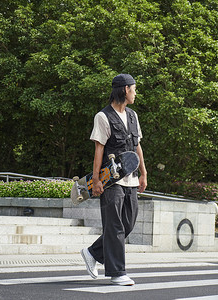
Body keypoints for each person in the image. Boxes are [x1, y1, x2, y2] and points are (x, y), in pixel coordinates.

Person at [81, 73, 147, 286]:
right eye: (134, 89)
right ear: (125, 90)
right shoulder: (103, 117)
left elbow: (137, 146)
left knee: (127, 224)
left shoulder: (132, 116)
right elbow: (99, 150)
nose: (136, 93)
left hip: (132, 179)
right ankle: (118, 273)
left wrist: (144, 172)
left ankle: (92, 252)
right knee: (115, 226)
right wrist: (97, 180)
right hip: (111, 181)